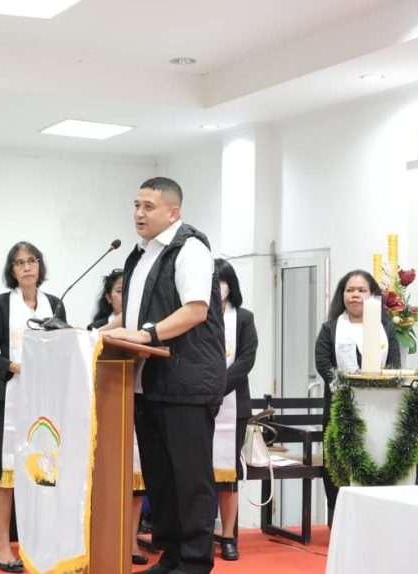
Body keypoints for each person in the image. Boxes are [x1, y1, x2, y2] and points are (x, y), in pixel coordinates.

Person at [106, 177, 226, 574]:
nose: (138, 214)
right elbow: (137, 315)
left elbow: (195, 310)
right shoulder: (142, 255)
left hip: (186, 383)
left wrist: (146, 334)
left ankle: (194, 561)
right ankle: (172, 556)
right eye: (136, 205)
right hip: (150, 382)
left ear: (174, 213)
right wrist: (98, 332)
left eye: (148, 207)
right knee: (161, 478)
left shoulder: (189, 249)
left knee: (190, 479)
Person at [0, 241, 66, 573]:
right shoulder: (0, 304)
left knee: (44, 471)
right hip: (12, 398)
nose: (27, 267)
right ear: (12, 270)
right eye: (19, 263)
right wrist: (13, 367)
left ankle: (42, 543)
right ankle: (3, 545)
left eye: (32, 260)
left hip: (47, 401)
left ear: (40, 266)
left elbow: (65, 345)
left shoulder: (55, 304)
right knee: (7, 472)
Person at [315, 269, 400, 526]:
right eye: (350, 290)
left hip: (378, 411)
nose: (355, 295)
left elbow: (394, 364)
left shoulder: (385, 328)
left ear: (372, 295)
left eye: (362, 290)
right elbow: (323, 364)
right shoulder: (330, 329)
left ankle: (373, 524)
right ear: (342, 295)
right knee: (338, 467)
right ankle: (337, 523)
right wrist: (348, 388)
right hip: (340, 410)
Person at [87, 269, 149, 565]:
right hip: (106, 412)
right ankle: (101, 540)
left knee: (136, 477)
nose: (125, 297)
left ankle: (132, 540)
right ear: (108, 296)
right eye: (121, 291)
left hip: (140, 404)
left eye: (131, 291)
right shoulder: (95, 330)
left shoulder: (146, 326)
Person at [212, 259, 257, 561]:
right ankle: (202, 534)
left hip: (233, 403)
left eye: (222, 281)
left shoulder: (243, 318)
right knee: (200, 472)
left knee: (228, 473)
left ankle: (228, 536)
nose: (218, 287)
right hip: (198, 402)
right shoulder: (195, 314)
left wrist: (218, 387)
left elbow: (246, 359)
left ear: (231, 285)